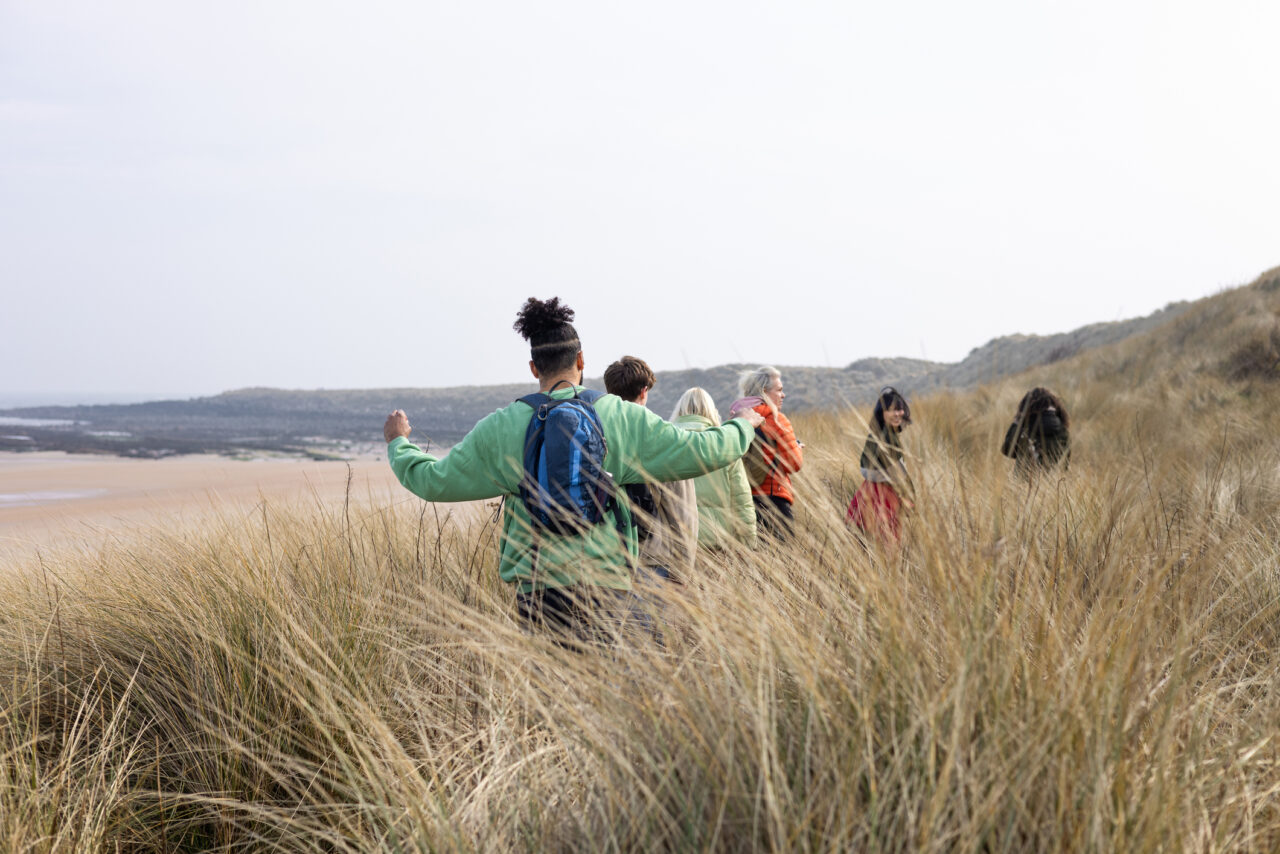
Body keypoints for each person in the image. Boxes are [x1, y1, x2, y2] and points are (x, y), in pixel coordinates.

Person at [383, 297, 763, 645]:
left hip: (538, 592)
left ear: (534, 367)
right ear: (581, 361)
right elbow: (706, 451)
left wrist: (399, 442)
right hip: (609, 587)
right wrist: (743, 425)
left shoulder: (501, 426)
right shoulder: (621, 417)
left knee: (550, 692)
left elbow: (432, 482)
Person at [603, 356, 699, 587]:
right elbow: (682, 513)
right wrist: (684, 571)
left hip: (605, 562)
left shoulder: (595, 435)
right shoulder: (663, 438)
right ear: (644, 391)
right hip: (653, 561)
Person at [671, 387, 757, 550]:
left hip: (675, 542)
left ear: (679, 411)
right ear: (712, 411)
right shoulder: (726, 446)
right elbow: (742, 502)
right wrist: (748, 545)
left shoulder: (666, 443)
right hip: (716, 542)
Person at [731, 366, 804, 541]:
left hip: (742, 501)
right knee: (784, 554)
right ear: (764, 391)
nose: (783, 395)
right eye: (779, 390)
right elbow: (794, 463)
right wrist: (796, 447)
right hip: (774, 500)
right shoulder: (777, 419)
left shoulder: (734, 420)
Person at [847, 386, 915, 546]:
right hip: (883, 500)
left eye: (899, 409)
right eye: (891, 410)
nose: (897, 414)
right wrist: (910, 499)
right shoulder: (887, 437)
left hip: (868, 495)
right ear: (882, 413)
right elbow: (898, 476)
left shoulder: (878, 434)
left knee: (865, 549)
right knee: (887, 549)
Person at [1001, 387, 1070, 476]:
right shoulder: (1063, 432)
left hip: (1023, 482)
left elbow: (1007, 450)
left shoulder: (1024, 430)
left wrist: (1016, 422)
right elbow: (1065, 465)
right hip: (1054, 482)